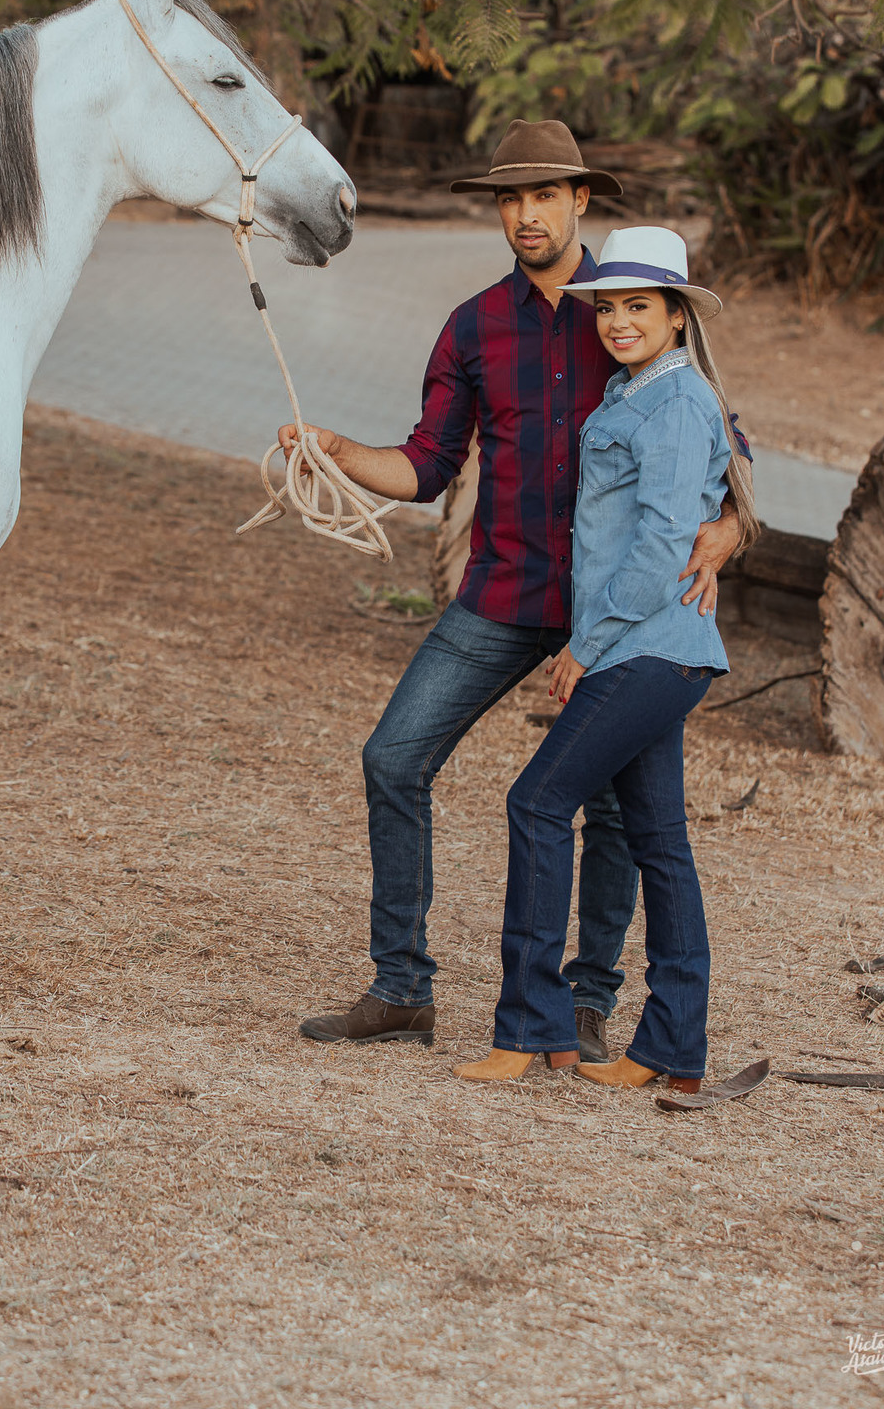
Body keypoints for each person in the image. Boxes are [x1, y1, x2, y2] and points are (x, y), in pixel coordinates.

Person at [289, 120, 749, 1060]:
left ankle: (586, 1003)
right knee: (393, 759)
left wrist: (732, 530)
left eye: (544, 194)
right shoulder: (472, 327)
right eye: (511, 198)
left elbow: (725, 445)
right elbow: (427, 465)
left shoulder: (633, 308)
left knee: (614, 811)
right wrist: (335, 451)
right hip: (502, 593)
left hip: (612, 616)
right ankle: (402, 988)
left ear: (581, 200)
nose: (527, 213)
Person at [453, 226, 758, 1089]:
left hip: (648, 648)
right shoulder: (634, 391)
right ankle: (672, 1053)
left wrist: (584, 649)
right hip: (653, 648)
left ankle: (530, 1027)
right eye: (609, 307)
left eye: (639, 307)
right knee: (660, 842)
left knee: (537, 803)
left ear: (676, 315)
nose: (620, 321)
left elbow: (662, 541)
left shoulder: (678, 401)